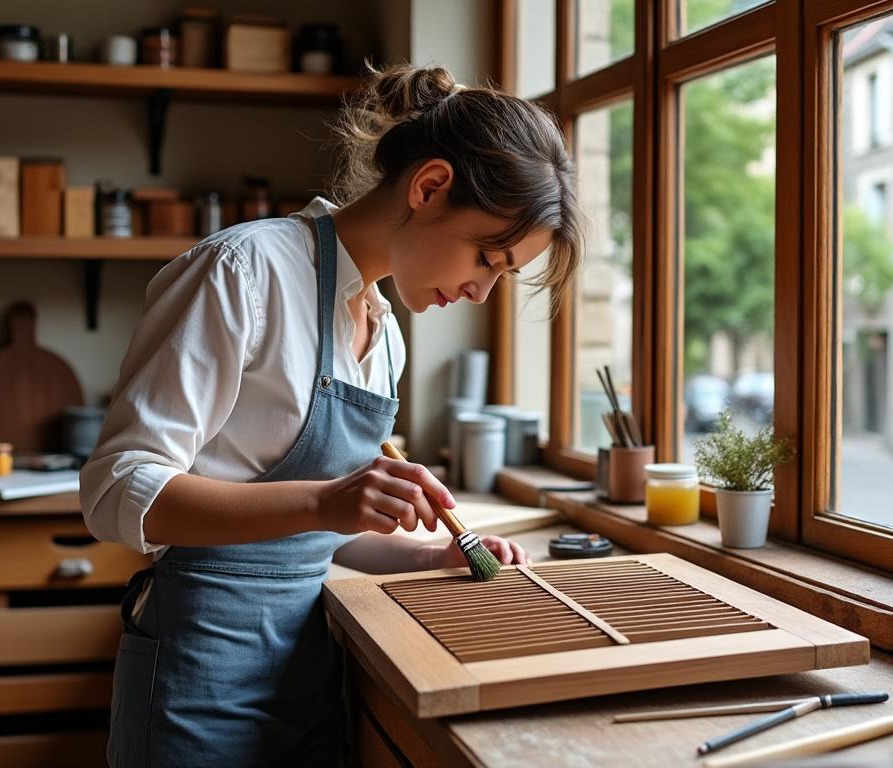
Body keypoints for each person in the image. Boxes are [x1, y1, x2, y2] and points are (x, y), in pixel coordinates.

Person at [79, 62, 585, 767]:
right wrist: (327, 497)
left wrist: (425, 556)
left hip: (304, 673)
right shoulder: (245, 273)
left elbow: (320, 539)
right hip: (198, 673)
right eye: (487, 257)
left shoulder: (385, 338)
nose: (479, 291)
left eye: (501, 273)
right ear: (429, 186)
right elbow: (114, 491)